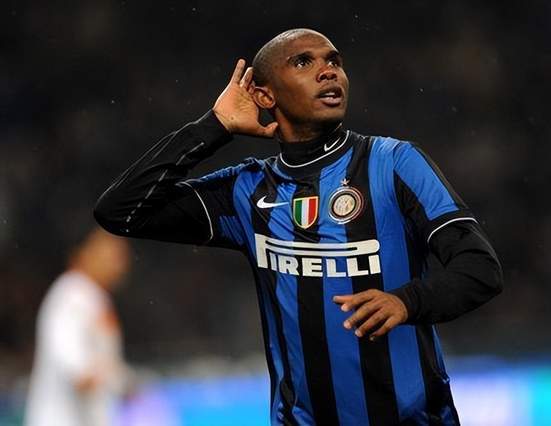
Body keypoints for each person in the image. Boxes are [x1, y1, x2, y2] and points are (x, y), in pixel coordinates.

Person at [94, 28, 503, 426]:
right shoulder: (247, 190)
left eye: (334, 61)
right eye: (304, 62)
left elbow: (480, 269)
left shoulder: (394, 163)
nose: (328, 71)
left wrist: (407, 301)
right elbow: (121, 210)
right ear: (264, 95)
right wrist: (214, 126)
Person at [25, 228, 131, 426]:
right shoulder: (71, 295)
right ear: (82, 253)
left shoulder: (94, 297)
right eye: (109, 251)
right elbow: (78, 372)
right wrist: (116, 381)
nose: (119, 261)